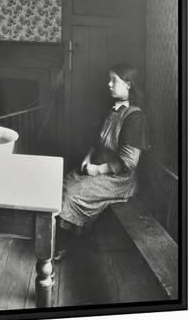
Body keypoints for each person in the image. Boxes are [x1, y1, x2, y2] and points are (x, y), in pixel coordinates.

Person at [55, 64, 149, 261]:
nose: (109, 84)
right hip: (98, 166)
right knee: (65, 183)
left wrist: (96, 171)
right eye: (110, 79)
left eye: (114, 80)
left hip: (119, 180)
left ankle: (66, 245)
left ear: (129, 84)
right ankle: (71, 236)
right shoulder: (113, 110)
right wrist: (88, 158)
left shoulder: (135, 117)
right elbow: (98, 143)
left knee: (72, 193)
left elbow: (128, 162)